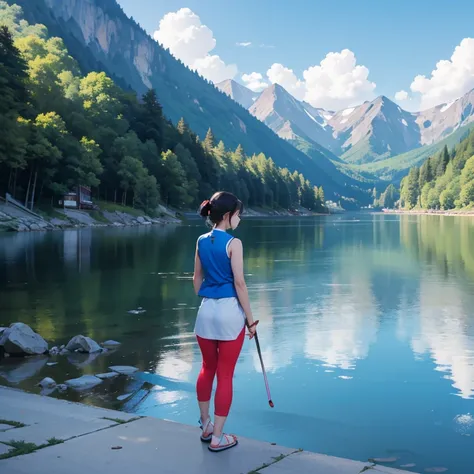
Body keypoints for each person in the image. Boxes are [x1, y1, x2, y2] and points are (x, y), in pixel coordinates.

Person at [192, 191, 258, 452]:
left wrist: (209, 296)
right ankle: (219, 437)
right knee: (225, 375)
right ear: (228, 216)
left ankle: (206, 425)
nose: (239, 219)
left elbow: (196, 279)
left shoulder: (200, 240)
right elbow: (240, 283)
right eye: (239, 214)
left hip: (206, 311)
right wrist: (251, 322)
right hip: (230, 314)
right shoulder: (234, 244)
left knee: (207, 368)